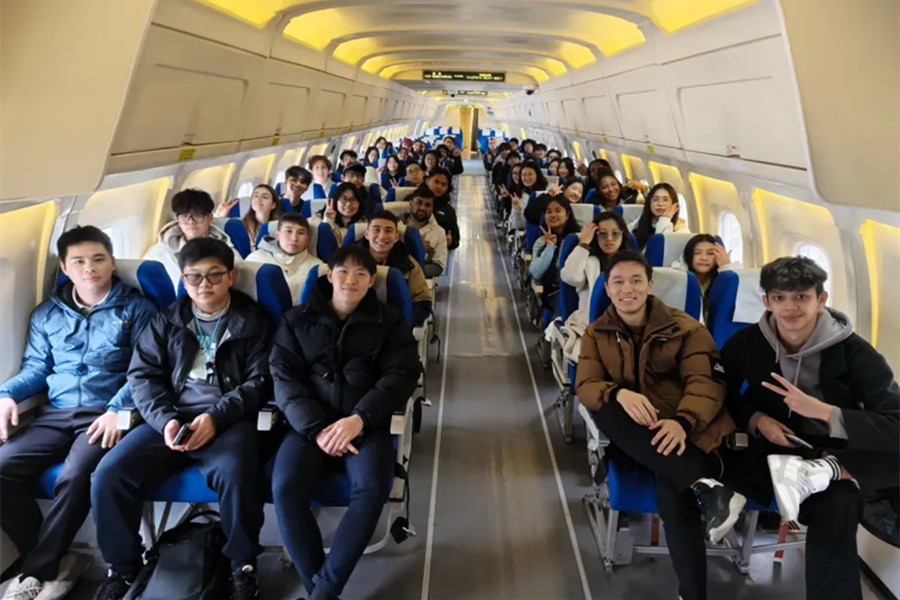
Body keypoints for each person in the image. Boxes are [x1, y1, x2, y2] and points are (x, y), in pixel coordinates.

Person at [90, 238, 272, 600]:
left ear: (231, 277)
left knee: (236, 474)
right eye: (194, 277)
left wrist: (215, 419)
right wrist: (165, 421)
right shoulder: (166, 321)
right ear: (184, 281)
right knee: (107, 475)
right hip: (172, 419)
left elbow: (260, 382)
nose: (204, 285)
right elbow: (142, 376)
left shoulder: (254, 322)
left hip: (229, 419)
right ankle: (124, 569)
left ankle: (242, 566)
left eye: (214, 276)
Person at [720, 256, 900, 600]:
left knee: (840, 500)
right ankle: (832, 471)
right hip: (777, 451)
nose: (790, 308)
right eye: (780, 297)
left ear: (822, 299)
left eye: (801, 297)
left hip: (839, 450)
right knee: (840, 502)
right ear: (767, 302)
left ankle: (833, 469)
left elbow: (896, 421)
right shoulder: (745, 345)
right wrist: (758, 420)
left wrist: (827, 412)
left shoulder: (855, 353)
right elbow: (721, 396)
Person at [575, 250, 745, 600]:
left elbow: (707, 384)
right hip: (639, 434)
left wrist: (682, 422)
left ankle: (692, 594)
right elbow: (587, 386)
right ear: (607, 288)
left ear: (650, 285)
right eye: (618, 282)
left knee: (673, 492)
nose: (628, 289)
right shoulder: (597, 332)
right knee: (607, 407)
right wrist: (620, 392)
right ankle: (705, 486)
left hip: (691, 433)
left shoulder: (686, 329)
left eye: (636, 280)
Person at [0, 227, 156, 600]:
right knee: (2, 466)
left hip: (105, 411)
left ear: (113, 262)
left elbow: (145, 370)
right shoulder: (47, 314)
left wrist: (118, 410)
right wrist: (6, 395)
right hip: (56, 412)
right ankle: (51, 554)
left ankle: (37, 571)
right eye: (79, 262)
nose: (90, 268)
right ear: (66, 268)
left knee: (74, 475)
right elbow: (37, 367)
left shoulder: (138, 309)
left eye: (98, 259)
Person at [269, 245, 419, 600]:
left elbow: (400, 376)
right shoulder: (295, 320)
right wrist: (316, 427)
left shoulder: (390, 322)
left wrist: (359, 419)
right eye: (343, 272)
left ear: (371, 282)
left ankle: (322, 593)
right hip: (310, 428)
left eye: (361, 274)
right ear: (329, 275)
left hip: (364, 428)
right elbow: (284, 378)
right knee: (285, 488)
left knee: (370, 490)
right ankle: (323, 591)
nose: (350, 280)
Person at [559, 212, 630, 349]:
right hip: (592, 326)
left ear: (623, 235)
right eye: (602, 234)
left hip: (626, 325)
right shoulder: (589, 262)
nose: (609, 239)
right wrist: (584, 243)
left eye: (615, 233)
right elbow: (569, 276)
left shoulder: (633, 264)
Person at [144, 188, 241, 287]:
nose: (191, 221)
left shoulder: (226, 249)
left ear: (210, 218)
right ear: (177, 219)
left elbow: (240, 279)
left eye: (197, 215)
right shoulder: (161, 252)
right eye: (184, 216)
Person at [360, 211, 432, 326]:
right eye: (376, 229)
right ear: (366, 234)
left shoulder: (408, 264)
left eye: (388, 230)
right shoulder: (351, 262)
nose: (382, 236)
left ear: (396, 237)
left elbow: (422, 303)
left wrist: (399, 324)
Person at [246, 213, 324, 302]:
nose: (294, 238)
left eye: (301, 233)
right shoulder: (255, 260)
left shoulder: (318, 268)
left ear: (307, 240)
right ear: (277, 235)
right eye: (289, 231)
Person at [528, 197, 580, 318]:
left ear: (567, 215)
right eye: (549, 211)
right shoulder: (541, 242)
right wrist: (550, 248)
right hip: (556, 292)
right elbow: (536, 272)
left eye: (558, 210)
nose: (553, 215)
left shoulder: (580, 239)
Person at [673, 234, 736, 322]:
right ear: (688, 256)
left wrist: (725, 268)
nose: (704, 258)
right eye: (697, 253)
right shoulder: (679, 279)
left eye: (710, 253)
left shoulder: (725, 279)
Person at [217, 184, 283, 252]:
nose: (258, 199)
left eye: (265, 197)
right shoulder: (239, 225)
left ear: (273, 205)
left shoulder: (278, 227)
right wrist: (220, 216)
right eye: (256, 196)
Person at [401, 187, 447, 278]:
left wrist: (412, 274)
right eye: (419, 203)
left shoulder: (438, 232)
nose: (422, 208)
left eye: (427, 205)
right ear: (411, 204)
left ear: (432, 209)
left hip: (420, 279)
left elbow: (438, 267)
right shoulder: (396, 225)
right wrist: (416, 247)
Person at [631, 183, 688, 249]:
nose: (660, 203)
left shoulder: (681, 228)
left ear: (674, 204)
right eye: (655, 199)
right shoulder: (641, 221)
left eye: (665, 200)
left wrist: (664, 220)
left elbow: (658, 249)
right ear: (649, 203)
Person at [421, 168, 460, 251]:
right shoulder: (414, 200)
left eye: (443, 184)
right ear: (427, 181)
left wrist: (450, 241)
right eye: (436, 182)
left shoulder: (449, 211)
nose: (439, 187)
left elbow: (456, 239)